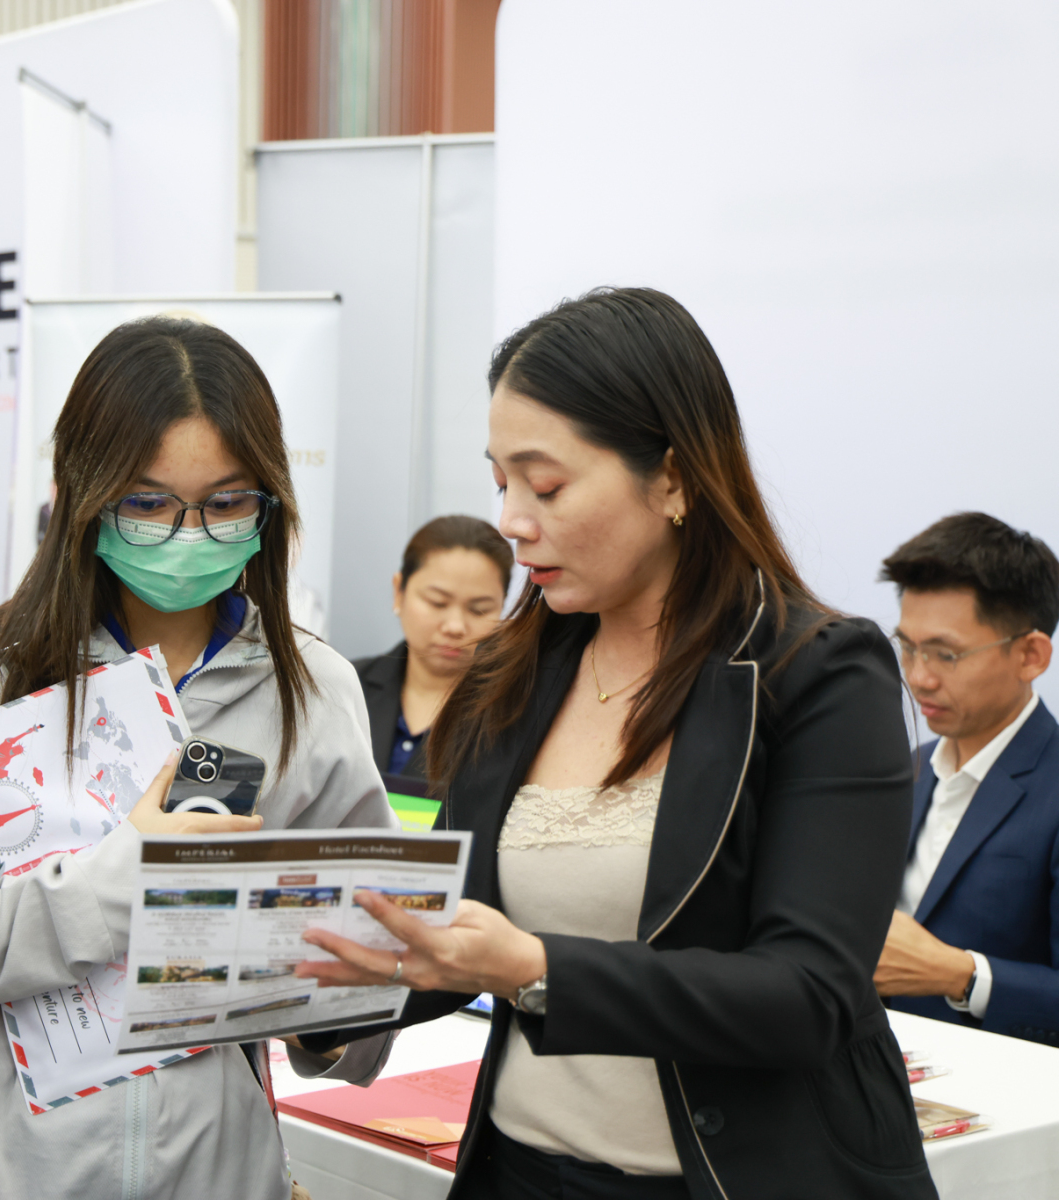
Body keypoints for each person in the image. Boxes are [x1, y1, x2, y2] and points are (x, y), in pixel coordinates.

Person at [294, 288, 937, 1199]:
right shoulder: (510, 671)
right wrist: (300, 992)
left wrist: (537, 969)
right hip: (520, 1170)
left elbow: (808, 996)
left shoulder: (815, 674)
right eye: (501, 483)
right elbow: (457, 939)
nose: (514, 520)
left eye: (547, 485)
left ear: (671, 478)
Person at [0, 316, 396, 1200]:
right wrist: (118, 885)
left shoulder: (315, 689)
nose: (190, 534)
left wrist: (329, 1014)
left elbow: (361, 982)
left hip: (216, 1173)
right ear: (84, 495)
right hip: (1, 1173)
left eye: (226, 503)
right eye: (147, 504)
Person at [874, 513, 1059, 1046]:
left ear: (1030, 656)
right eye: (907, 647)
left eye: (946, 654)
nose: (918, 676)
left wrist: (963, 975)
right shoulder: (902, 769)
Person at [353, 515, 511, 781]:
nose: (455, 626)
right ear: (399, 592)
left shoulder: (514, 712)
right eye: (437, 602)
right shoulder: (346, 686)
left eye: (479, 609)